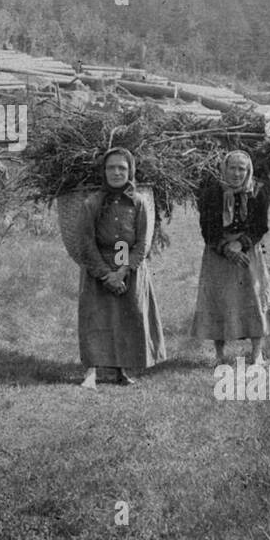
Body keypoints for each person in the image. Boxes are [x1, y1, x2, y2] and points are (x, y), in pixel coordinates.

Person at [75, 147, 167, 387]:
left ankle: (121, 370)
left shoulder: (139, 202)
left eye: (122, 168)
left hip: (128, 267)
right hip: (99, 264)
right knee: (95, 317)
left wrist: (123, 271)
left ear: (130, 171)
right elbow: (86, 241)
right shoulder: (92, 203)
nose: (116, 172)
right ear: (103, 172)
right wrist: (106, 274)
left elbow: (143, 242)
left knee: (126, 317)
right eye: (111, 168)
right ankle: (91, 373)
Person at [189, 150, 270, 366]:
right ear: (224, 168)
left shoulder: (258, 191)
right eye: (232, 167)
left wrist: (240, 244)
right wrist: (225, 247)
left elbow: (260, 226)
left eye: (242, 168)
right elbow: (207, 226)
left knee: (254, 297)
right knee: (218, 299)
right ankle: (220, 355)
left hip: (248, 250)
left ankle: (256, 353)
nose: (237, 173)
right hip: (218, 251)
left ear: (248, 171)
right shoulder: (212, 192)